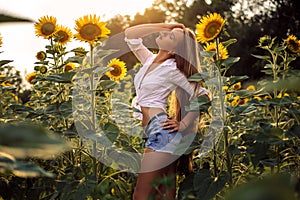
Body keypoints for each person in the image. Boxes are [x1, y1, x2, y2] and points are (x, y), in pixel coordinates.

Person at [124, 23, 208, 200]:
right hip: (158, 134)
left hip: (162, 134)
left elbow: (202, 95)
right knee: (164, 195)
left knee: (141, 196)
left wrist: (184, 123)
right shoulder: (148, 60)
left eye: (171, 37)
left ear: (174, 51)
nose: (165, 34)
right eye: (168, 33)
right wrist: (167, 26)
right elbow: (130, 35)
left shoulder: (173, 69)